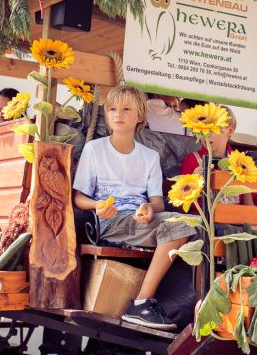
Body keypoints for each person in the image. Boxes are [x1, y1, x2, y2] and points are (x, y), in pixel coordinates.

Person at [73, 85, 197, 330]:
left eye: (126, 109)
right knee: (181, 226)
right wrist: (97, 206)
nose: (117, 114)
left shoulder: (149, 156)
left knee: (196, 226)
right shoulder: (94, 149)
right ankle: (140, 304)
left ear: (140, 115)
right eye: (112, 109)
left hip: (140, 219)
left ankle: (193, 306)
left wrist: (150, 209)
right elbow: (79, 198)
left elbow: (158, 202)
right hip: (107, 221)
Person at [180, 105, 253, 211]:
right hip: (202, 225)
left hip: (234, 224)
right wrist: (192, 183)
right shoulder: (192, 161)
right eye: (203, 128)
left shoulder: (241, 163)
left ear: (230, 131)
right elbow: (181, 208)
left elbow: (249, 207)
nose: (207, 134)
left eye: (215, 128)